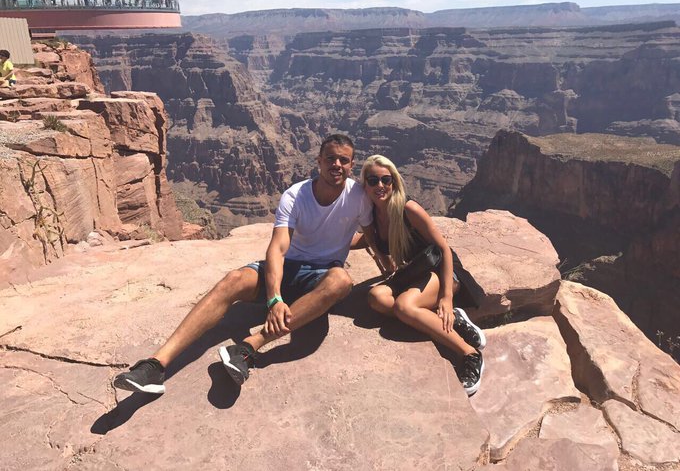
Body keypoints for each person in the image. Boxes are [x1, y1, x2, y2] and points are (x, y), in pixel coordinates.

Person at [113, 134, 376, 394]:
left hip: (320, 278)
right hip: (289, 269)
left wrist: (382, 267)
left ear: (352, 165)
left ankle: (248, 347)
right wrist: (274, 299)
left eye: (344, 160)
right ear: (319, 161)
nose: (337, 165)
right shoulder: (296, 195)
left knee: (341, 281)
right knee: (233, 280)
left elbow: (373, 238)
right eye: (330, 158)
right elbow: (278, 248)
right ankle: (155, 365)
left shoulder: (359, 197)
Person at [356, 154, 486, 395]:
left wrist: (446, 298)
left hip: (441, 270)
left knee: (404, 307)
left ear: (394, 181)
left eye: (386, 179)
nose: (380, 185)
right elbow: (366, 240)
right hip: (414, 273)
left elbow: (444, 249)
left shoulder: (408, 209)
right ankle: (447, 318)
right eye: (373, 180)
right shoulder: (371, 213)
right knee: (377, 298)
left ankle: (469, 353)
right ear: (365, 184)